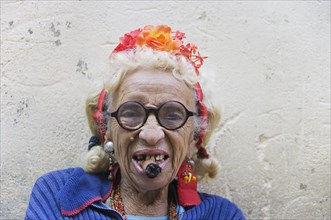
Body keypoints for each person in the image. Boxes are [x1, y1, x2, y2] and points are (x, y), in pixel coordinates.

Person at [25, 25, 245, 220]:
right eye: (131, 112)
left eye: (172, 115)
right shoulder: (59, 195)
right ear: (106, 129)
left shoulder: (222, 215)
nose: (151, 134)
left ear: (193, 138)